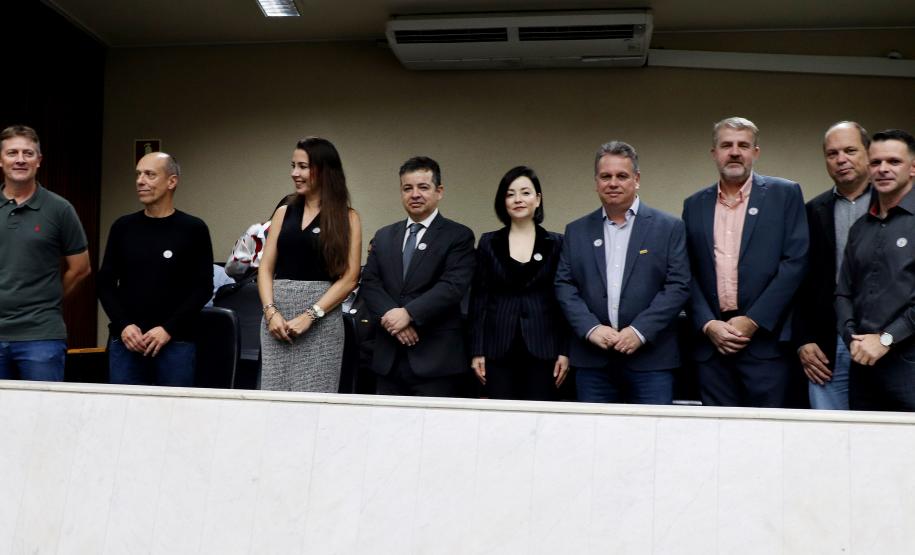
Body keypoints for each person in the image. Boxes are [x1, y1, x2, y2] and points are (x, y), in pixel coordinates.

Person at [682, 117, 808, 407]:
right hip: (712, 345)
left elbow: (796, 262)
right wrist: (708, 324)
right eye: (726, 145)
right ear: (714, 153)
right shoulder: (694, 204)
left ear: (756, 152)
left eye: (743, 145)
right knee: (716, 438)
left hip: (765, 343)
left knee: (768, 437)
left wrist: (753, 321)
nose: (735, 152)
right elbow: (685, 270)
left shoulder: (784, 194)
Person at [555, 141, 690, 404]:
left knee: (652, 440)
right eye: (606, 176)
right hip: (593, 362)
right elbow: (564, 285)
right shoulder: (577, 230)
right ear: (596, 182)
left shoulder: (669, 228)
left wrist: (639, 331)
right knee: (595, 441)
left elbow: (678, 286)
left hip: (651, 361)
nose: (613, 183)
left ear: (636, 179)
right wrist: (591, 328)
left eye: (622, 176)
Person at [360, 156, 475, 397]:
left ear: (439, 191)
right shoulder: (384, 236)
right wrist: (395, 320)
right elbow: (370, 283)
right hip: (387, 361)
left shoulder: (458, 236)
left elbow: (452, 287)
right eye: (407, 188)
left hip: (436, 362)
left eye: (423, 187)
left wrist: (409, 314)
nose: (415, 194)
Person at [98, 152, 213, 386]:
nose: (140, 181)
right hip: (127, 342)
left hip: (176, 344)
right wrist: (124, 325)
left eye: (150, 174)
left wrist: (168, 329)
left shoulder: (193, 229)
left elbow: (202, 289)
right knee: (122, 416)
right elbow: (105, 283)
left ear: (172, 181)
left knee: (173, 416)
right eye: (138, 174)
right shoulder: (123, 227)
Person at [257, 137, 361, 392]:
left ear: (324, 170)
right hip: (276, 322)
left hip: (321, 321)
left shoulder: (348, 218)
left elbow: (350, 277)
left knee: (315, 402)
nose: (295, 173)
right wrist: (271, 312)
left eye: (303, 166)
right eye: (293, 166)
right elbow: (265, 269)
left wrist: (310, 315)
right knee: (273, 399)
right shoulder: (284, 211)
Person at [469, 166, 569, 400]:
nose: (518, 199)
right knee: (500, 420)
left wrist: (565, 351)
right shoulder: (488, 242)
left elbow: (564, 300)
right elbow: (479, 299)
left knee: (540, 419)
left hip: (545, 348)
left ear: (538, 199)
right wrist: (477, 351)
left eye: (525, 192)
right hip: (497, 348)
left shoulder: (556, 243)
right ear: (503, 201)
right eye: (510, 193)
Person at [0, 125, 90, 381]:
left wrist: (49, 300)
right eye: (12, 153)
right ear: (1, 159)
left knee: (43, 417)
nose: (20, 159)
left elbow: (81, 269)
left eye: (28, 153)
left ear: (38, 161)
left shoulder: (60, 209)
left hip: (41, 337)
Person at [794, 121, 872, 409]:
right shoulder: (812, 211)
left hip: (882, 341)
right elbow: (799, 281)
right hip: (826, 344)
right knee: (828, 434)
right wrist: (803, 340)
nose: (841, 159)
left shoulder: (895, 205)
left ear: (868, 152)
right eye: (832, 153)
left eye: (850, 150)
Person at [836, 129, 915, 411]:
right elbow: (843, 293)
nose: (883, 169)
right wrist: (852, 339)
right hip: (863, 369)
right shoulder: (860, 228)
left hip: (909, 369)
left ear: (912, 168)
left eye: (893, 161)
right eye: (876, 162)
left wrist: (886, 339)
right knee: (863, 453)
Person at [225, 194, 294, 280]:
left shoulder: (258, 230)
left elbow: (232, 269)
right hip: (255, 283)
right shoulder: (258, 231)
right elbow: (232, 269)